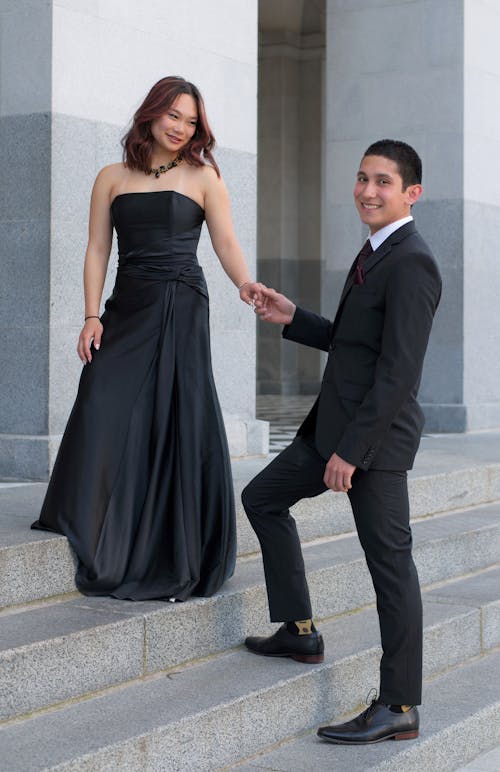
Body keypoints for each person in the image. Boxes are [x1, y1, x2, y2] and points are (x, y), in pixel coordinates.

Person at [32, 76, 262, 602]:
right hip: (127, 305)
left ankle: (170, 537)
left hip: (181, 302)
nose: (182, 127)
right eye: (173, 115)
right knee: (101, 400)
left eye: (191, 120)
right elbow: (96, 249)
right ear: (151, 114)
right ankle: (89, 510)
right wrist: (91, 316)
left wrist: (244, 283)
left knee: (174, 410)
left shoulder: (205, 177)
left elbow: (225, 241)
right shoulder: (111, 176)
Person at [242, 139, 442, 744]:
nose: (367, 190)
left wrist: (352, 453)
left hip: (371, 446)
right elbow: (358, 345)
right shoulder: (378, 249)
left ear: (412, 193)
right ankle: (299, 629)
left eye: (383, 181)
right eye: (361, 178)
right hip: (331, 429)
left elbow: (398, 371)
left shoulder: (412, 261)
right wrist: (293, 316)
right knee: (261, 499)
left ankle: (400, 706)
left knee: (391, 571)